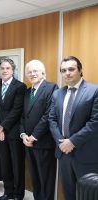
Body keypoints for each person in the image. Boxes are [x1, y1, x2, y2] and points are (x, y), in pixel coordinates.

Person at [49, 56, 98, 200]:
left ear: (80, 70)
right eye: (63, 70)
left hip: (86, 153)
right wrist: (62, 142)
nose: (67, 73)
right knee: (68, 192)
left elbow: (95, 122)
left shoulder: (94, 90)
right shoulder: (58, 93)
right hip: (64, 153)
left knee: (87, 195)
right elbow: (52, 120)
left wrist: (72, 141)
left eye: (71, 69)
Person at [20, 60, 58, 200]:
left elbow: (49, 115)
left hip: (43, 142)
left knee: (46, 180)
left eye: (35, 71)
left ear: (43, 72)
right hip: (28, 143)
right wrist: (23, 135)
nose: (32, 74)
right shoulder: (27, 91)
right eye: (29, 72)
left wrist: (34, 136)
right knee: (35, 178)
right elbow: (23, 116)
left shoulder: (52, 88)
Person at [0, 58, 26, 200]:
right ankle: (8, 192)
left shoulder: (20, 86)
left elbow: (17, 110)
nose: (4, 71)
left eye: (7, 68)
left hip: (14, 131)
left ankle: (18, 194)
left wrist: (2, 127)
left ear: (12, 70)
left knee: (17, 164)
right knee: (4, 163)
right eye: (2, 68)